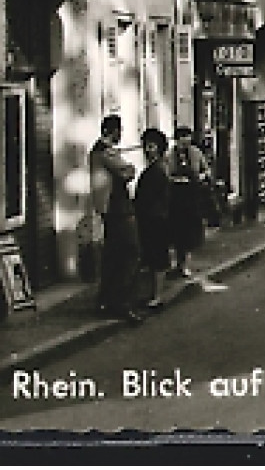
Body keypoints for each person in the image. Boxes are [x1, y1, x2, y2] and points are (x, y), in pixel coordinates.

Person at [89, 114, 142, 323]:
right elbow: (126, 172)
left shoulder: (98, 151)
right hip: (117, 209)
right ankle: (121, 303)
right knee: (130, 253)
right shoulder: (106, 152)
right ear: (112, 132)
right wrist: (130, 169)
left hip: (110, 209)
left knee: (112, 256)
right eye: (119, 131)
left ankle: (105, 300)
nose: (121, 135)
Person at [133, 127, 171, 310]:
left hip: (155, 218)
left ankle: (157, 296)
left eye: (152, 146)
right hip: (156, 217)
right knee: (154, 256)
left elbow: (149, 197)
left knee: (157, 257)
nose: (147, 150)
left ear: (159, 147)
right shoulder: (158, 167)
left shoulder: (157, 170)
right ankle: (154, 294)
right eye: (146, 146)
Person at [168, 126, 209, 278]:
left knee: (190, 232)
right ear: (177, 140)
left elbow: (206, 169)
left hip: (192, 197)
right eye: (182, 140)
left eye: (188, 139)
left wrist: (202, 176)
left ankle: (185, 264)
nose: (186, 143)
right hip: (176, 199)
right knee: (178, 232)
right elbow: (166, 174)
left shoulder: (196, 153)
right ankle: (178, 263)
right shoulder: (169, 155)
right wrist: (175, 180)